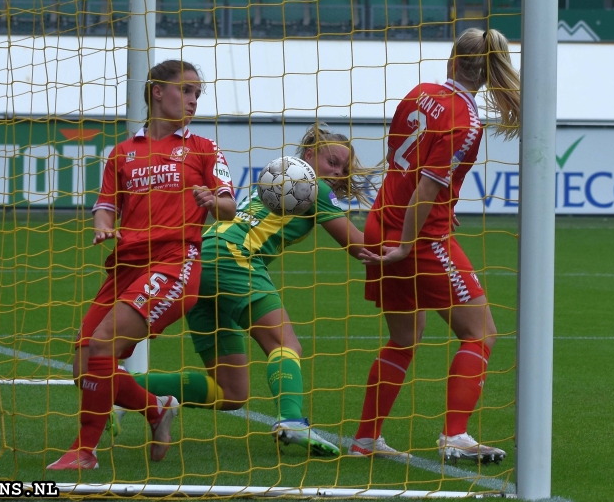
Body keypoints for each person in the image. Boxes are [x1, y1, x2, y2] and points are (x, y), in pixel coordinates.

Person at [132, 123, 374, 457]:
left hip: (201, 260)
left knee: (231, 392)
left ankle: (118, 389)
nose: (337, 172)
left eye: (342, 168)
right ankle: (291, 422)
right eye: (332, 161)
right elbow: (359, 247)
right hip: (234, 258)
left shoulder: (276, 178)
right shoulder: (312, 186)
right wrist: (410, 244)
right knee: (284, 343)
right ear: (308, 156)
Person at [47, 60, 236, 470]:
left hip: (174, 264)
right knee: (84, 368)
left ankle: (84, 451)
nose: (192, 101)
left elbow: (230, 208)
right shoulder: (123, 152)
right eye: (186, 91)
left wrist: (211, 200)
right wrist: (103, 228)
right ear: (157, 91)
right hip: (124, 267)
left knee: (102, 344)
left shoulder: (204, 148)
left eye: (197, 94)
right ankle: (156, 409)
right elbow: (105, 207)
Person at [349, 28, 520, 464]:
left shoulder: (420, 91)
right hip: (421, 238)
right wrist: (409, 243)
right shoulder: (466, 121)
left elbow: (404, 164)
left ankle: (366, 438)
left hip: (379, 221)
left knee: (404, 337)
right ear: (490, 71)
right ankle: (455, 435)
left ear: (452, 60)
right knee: (480, 333)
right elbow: (427, 188)